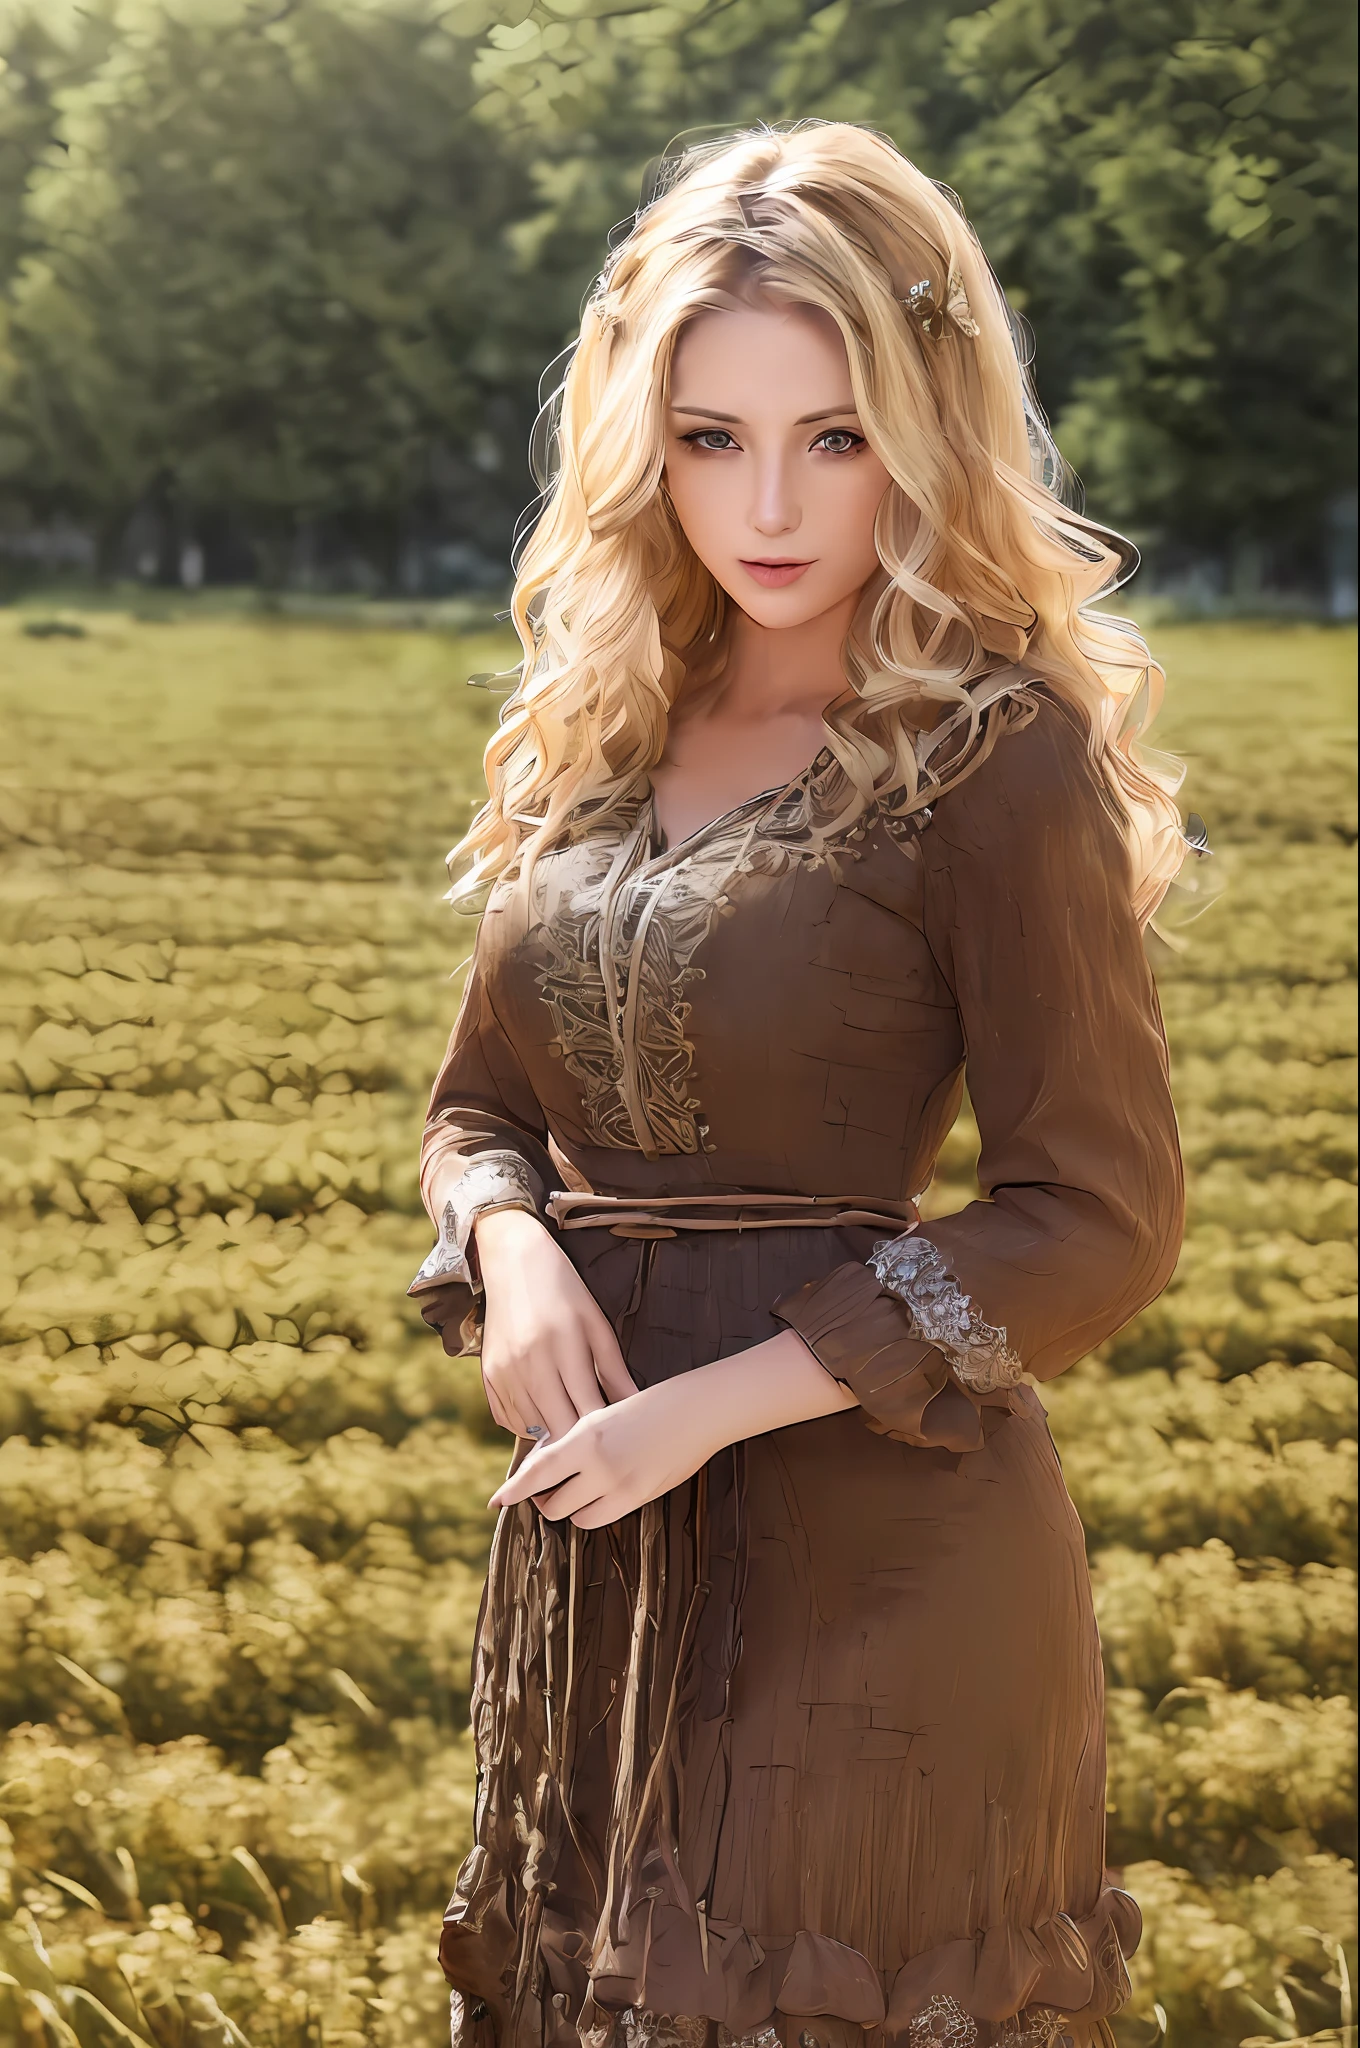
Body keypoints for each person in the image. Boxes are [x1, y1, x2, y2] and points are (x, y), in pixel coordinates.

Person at [409, 122, 1186, 2048]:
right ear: (637, 437)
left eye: (832, 437)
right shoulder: (606, 730)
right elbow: (476, 1107)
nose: (768, 503)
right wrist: (507, 1245)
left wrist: (711, 1412)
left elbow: (1097, 1215)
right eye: (709, 436)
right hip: (607, 1568)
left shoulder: (998, 762)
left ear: (925, 429)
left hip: (883, 1571)